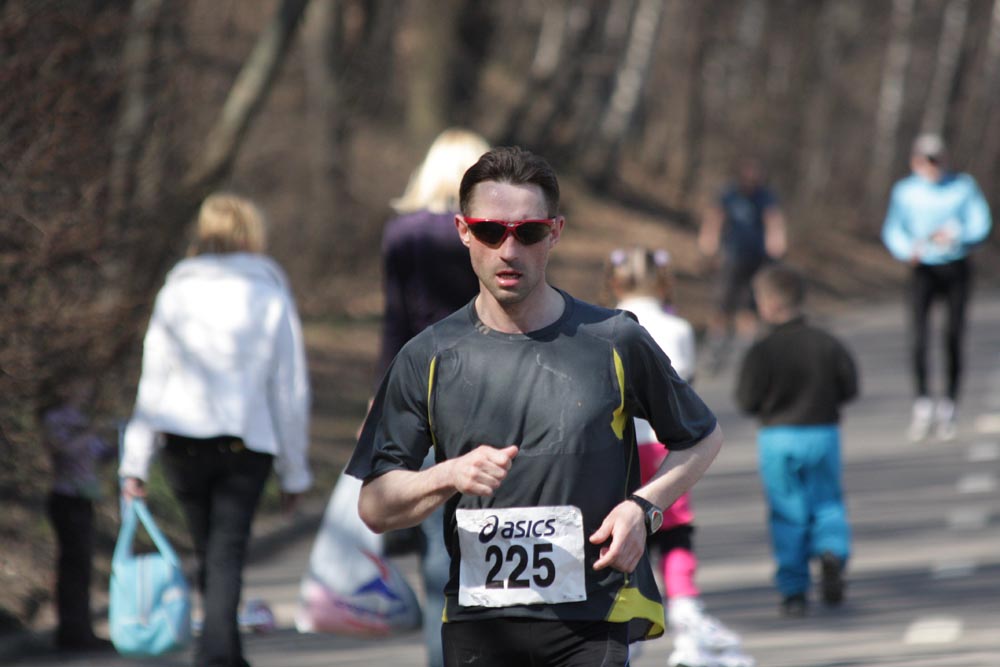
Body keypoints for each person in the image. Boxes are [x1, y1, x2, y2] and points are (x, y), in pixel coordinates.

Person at [347, 146, 723, 667]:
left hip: (592, 617)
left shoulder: (613, 339)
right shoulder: (427, 356)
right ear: (463, 231)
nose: (509, 249)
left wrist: (644, 508)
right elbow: (375, 506)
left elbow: (701, 437)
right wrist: (448, 474)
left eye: (528, 232)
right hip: (479, 626)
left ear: (555, 232)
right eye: (489, 231)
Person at [120, 193, 311, 667]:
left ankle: (219, 650)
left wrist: (135, 462)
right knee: (226, 550)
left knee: (210, 550)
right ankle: (220, 654)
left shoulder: (176, 291)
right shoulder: (268, 290)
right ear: (252, 233)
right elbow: (288, 387)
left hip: (181, 442)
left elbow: (153, 380)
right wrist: (294, 473)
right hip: (245, 443)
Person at [376, 127, 490, 667]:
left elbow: (395, 325)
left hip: (424, 395)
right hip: (492, 390)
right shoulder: (488, 235)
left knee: (437, 550)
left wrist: (380, 403)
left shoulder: (403, 235)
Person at [607, 246, 752, 667]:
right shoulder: (678, 328)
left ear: (615, 281)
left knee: (623, 532)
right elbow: (682, 390)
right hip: (664, 447)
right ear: (664, 281)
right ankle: (687, 619)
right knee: (675, 532)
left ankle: (626, 627)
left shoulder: (601, 326)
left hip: (621, 449)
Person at [734, 264, 858, 618]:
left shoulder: (762, 350)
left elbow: (746, 399)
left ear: (767, 304)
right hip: (822, 433)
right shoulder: (826, 342)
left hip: (777, 436)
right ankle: (832, 551)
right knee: (827, 501)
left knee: (787, 511)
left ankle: (793, 591)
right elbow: (850, 387)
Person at [881, 133, 992, 442]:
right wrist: (907, 250)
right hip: (923, 269)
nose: (931, 166)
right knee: (919, 337)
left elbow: (981, 223)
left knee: (952, 336)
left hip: (955, 266)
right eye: (925, 160)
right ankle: (922, 403)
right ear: (915, 161)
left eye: (935, 160)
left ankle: (950, 404)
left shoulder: (963, 186)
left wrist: (957, 235)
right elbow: (893, 229)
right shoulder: (905, 191)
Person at [40, 378, 115, 652]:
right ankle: (71, 633)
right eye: (80, 385)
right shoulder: (55, 419)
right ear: (64, 387)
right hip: (66, 498)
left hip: (85, 498)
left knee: (83, 567)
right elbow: (62, 451)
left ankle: (83, 631)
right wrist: (90, 432)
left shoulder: (82, 419)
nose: (86, 390)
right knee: (72, 567)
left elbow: (101, 455)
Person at [698, 158, 787, 370]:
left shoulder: (765, 196)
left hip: (757, 258)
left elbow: (773, 221)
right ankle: (716, 346)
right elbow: (715, 218)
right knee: (722, 303)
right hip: (732, 256)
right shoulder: (729, 194)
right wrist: (709, 242)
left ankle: (746, 350)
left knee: (750, 305)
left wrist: (777, 243)